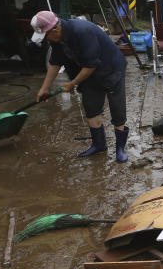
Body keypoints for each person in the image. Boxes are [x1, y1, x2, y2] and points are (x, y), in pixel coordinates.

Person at [31, 11, 129, 162]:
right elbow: (55, 62)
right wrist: (45, 87)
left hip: (111, 69)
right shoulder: (57, 39)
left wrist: (72, 84)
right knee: (91, 106)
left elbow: (91, 65)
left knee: (117, 108)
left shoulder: (83, 31)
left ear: (55, 30)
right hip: (87, 73)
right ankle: (99, 145)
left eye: (46, 36)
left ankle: (120, 148)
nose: (46, 40)